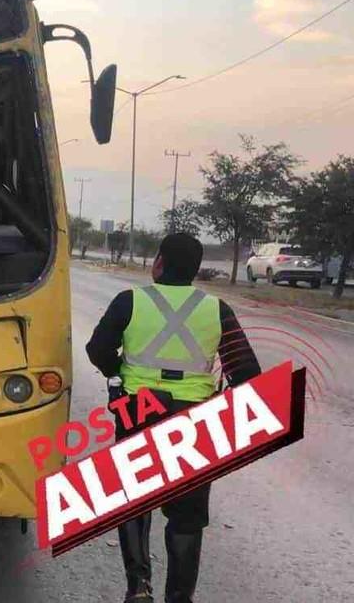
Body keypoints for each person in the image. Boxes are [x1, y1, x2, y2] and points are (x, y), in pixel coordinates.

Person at [86, 232, 261, 603]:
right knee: (187, 517)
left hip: (138, 411)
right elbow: (247, 372)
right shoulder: (217, 309)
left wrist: (117, 373)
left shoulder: (130, 301)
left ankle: (138, 587)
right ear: (197, 269)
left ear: (159, 262)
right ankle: (179, 597)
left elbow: (97, 347)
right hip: (195, 420)